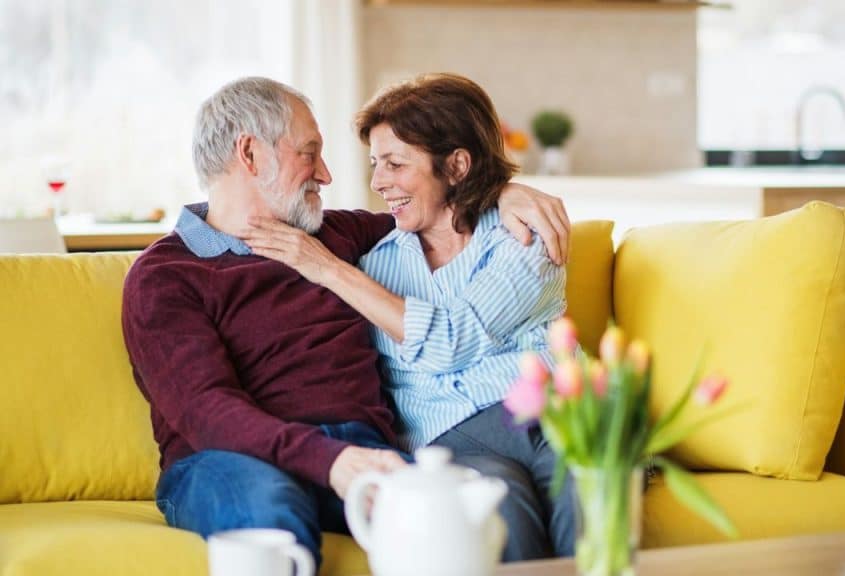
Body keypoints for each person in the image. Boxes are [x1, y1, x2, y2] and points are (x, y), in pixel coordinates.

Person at [121, 76, 570, 569]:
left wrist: (507, 192)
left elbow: (437, 204)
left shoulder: (334, 234)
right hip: (229, 460)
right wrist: (329, 460)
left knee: (469, 508)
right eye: (309, 154)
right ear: (249, 154)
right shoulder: (166, 276)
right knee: (269, 509)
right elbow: (207, 412)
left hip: (362, 452)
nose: (327, 174)